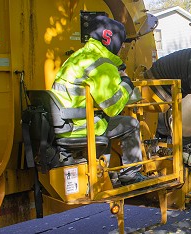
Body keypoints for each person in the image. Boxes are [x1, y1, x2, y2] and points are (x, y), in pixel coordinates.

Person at [51, 15, 146, 185]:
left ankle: (105, 171)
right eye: (121, 42)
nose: (123, 47)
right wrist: (126, 83)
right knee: (131, 124)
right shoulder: (102, 64)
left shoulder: (79, 56)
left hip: (65, 123)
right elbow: (113, 107)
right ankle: (131, 173)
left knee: (106, 121)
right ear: (112, 41)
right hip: (81, 127)